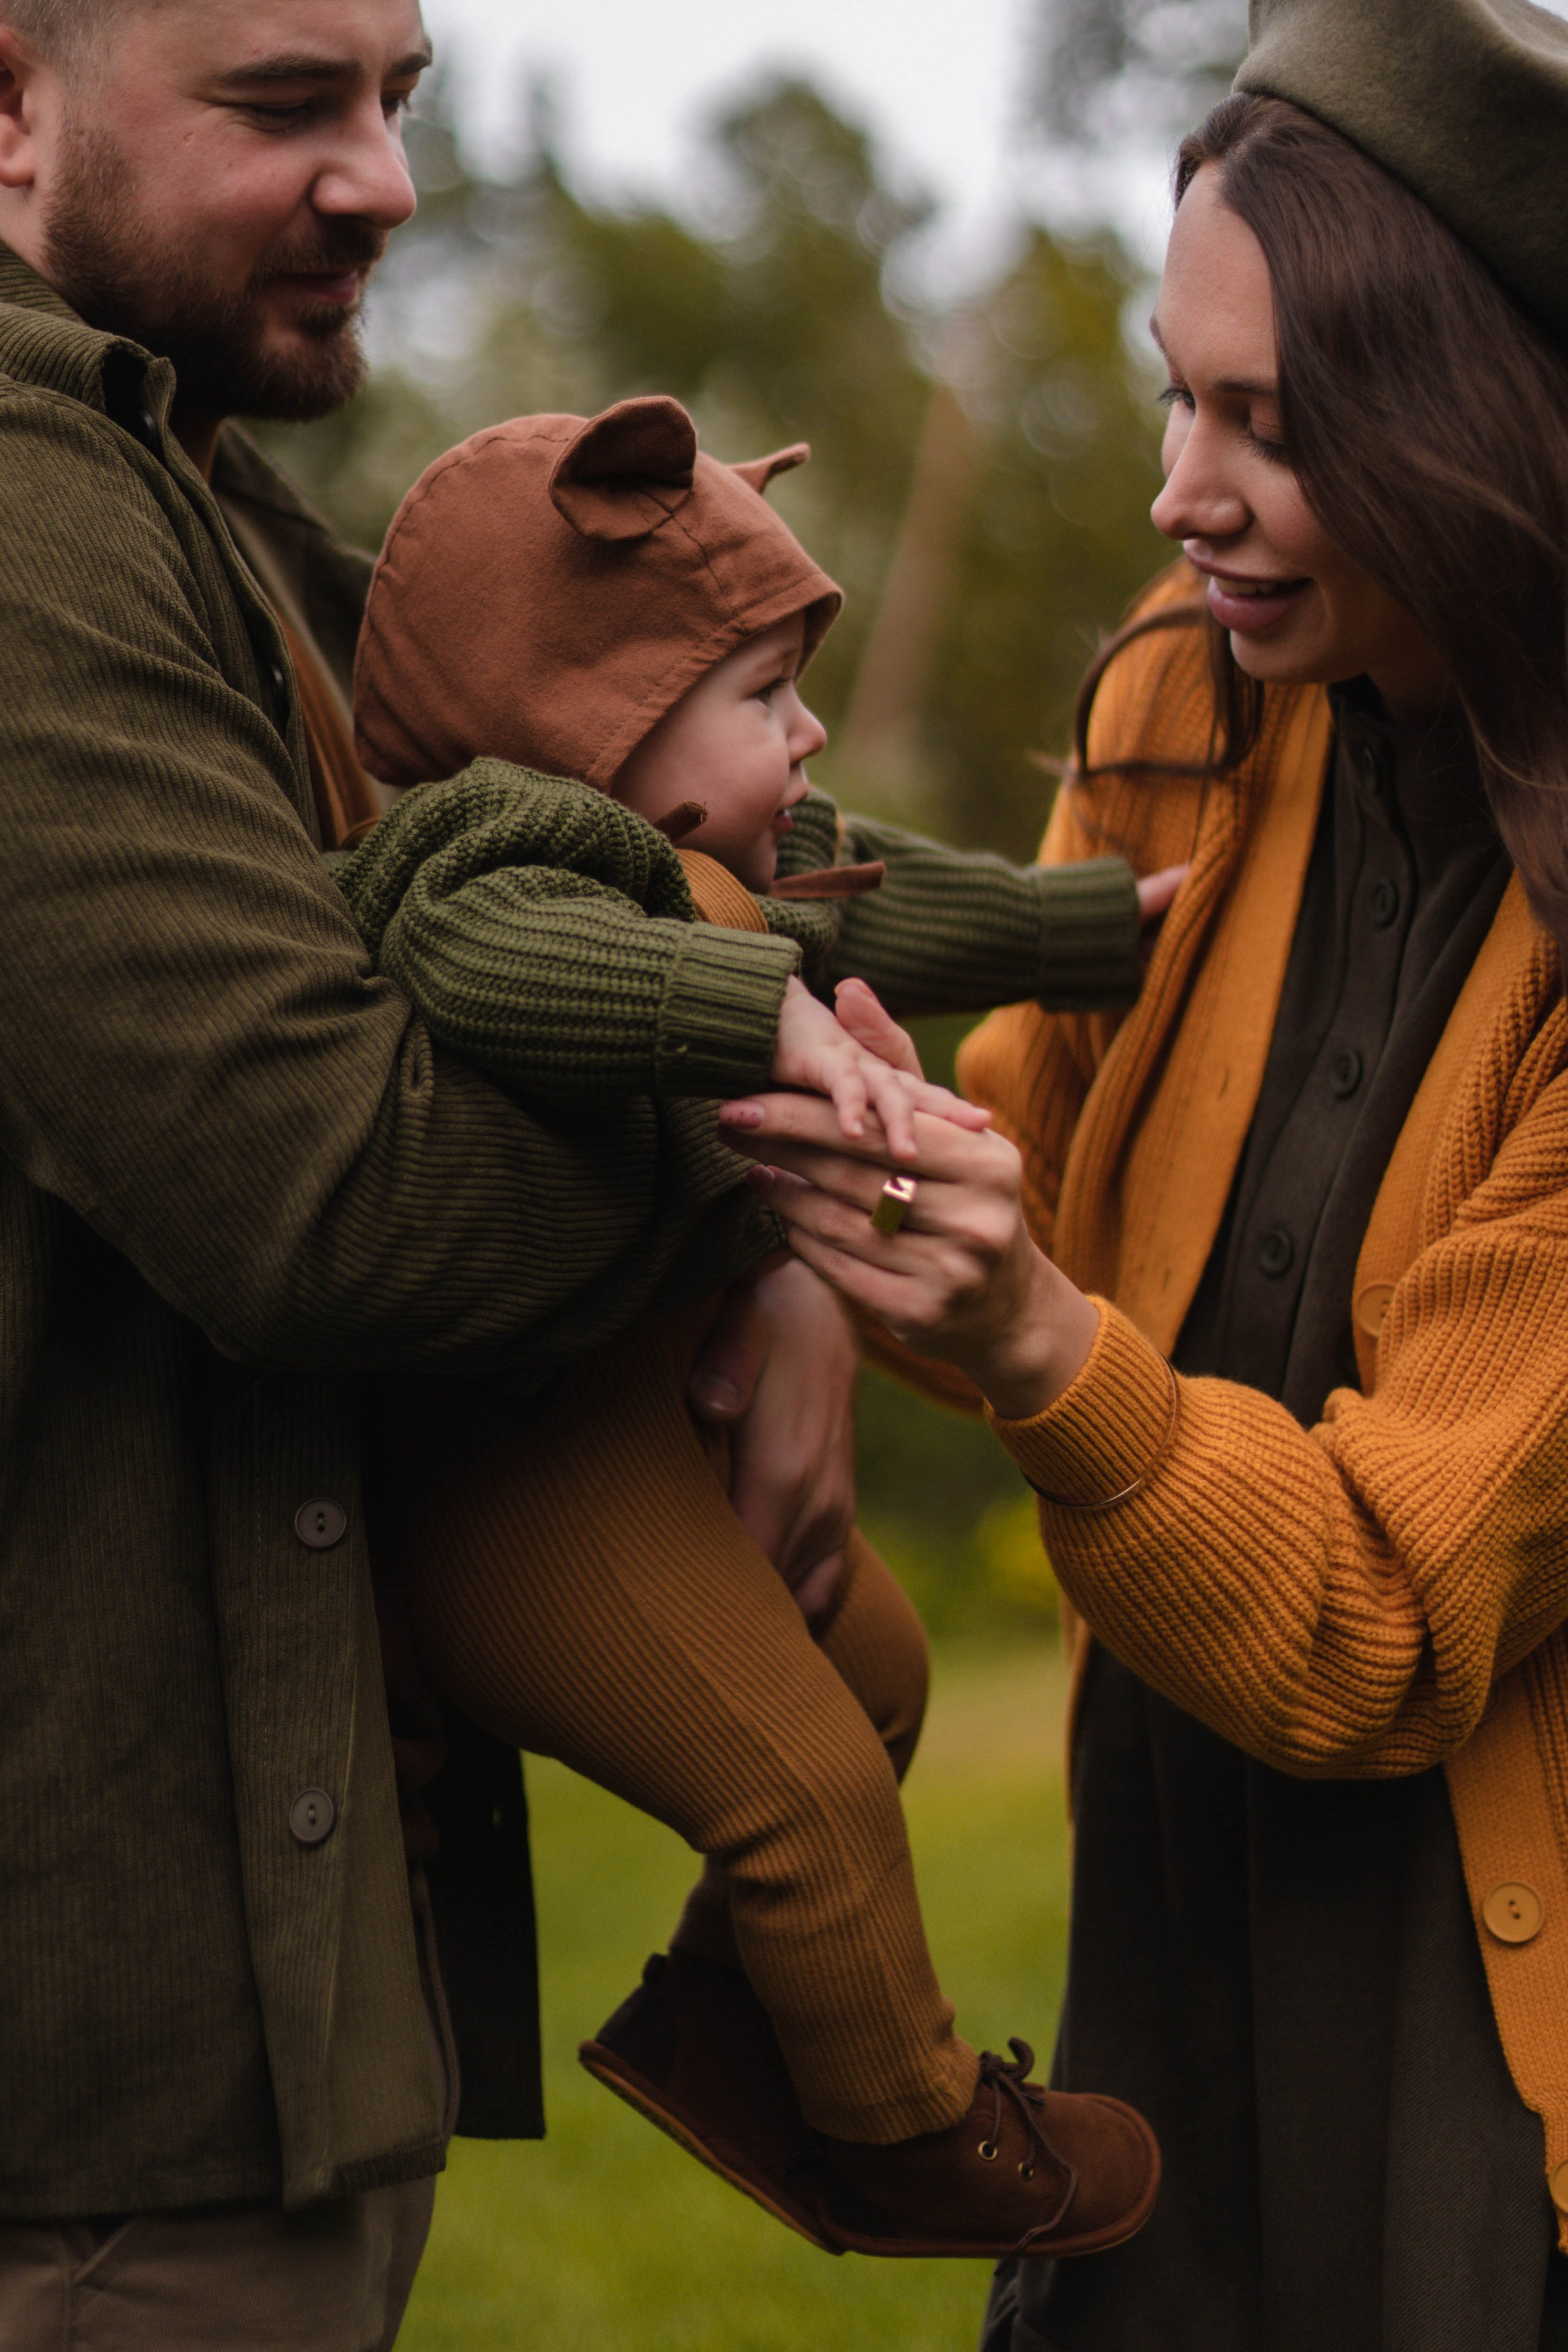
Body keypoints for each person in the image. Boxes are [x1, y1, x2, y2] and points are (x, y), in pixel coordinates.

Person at [0, 1, 904, 2342]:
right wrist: (758, 1178)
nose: (386, 177)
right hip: (99, 2126)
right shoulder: (23, 509)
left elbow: (605, 869)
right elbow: (339, 1195)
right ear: (11, 105)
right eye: (283, 103)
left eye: (398, 96)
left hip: (228, 2037)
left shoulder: (166, 478)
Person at [714, 4, 1568, 2345]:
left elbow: (1384, 1618)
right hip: (1166, 1896)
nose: (1182, 491)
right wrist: (811, 1262)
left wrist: (1028, 1345)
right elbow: (1032, 1121)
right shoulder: (1182, 714)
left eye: (1273, 428)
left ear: (1471, 423)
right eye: (1179, 390)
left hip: (1478, 2002)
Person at [335, 391, 1163, 2261]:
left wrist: (1094, 923)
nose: (802, 733)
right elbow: (502, 962)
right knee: (801, 1792)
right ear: (589, 713)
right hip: (521, 1474)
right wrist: (759, 1014)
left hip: (653, 1435)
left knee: (876, 1679)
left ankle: (735, 2024)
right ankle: (907, 2132)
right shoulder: (489, 843)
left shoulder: (725, 847)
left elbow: (893, 902)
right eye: (760, 692)